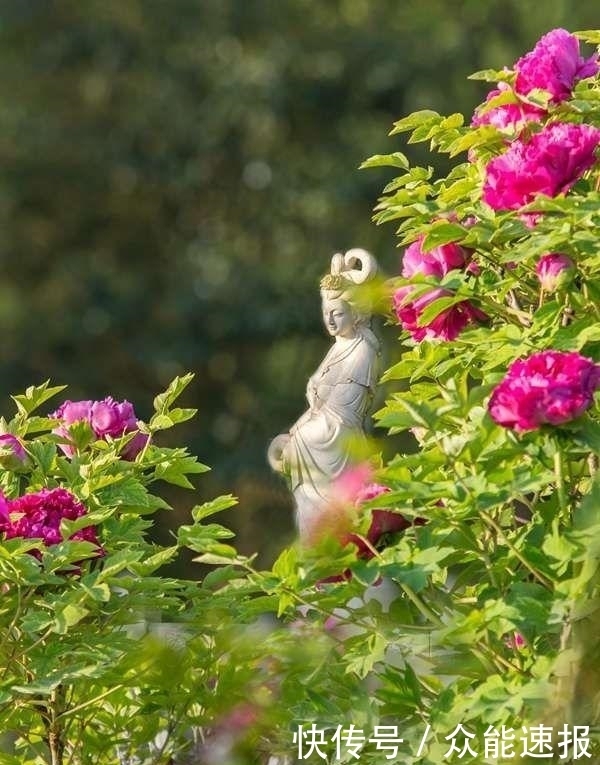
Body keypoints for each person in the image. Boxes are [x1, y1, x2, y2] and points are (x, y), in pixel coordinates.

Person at [268, 249, 380, 542]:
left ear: (355, 313)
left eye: (338, 313)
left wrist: (301, 439)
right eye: (326, 313)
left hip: (336, 447)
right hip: (318, 444)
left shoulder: (362, 350)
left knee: (337, 530)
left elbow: (340, 416)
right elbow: (319, 407)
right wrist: (292, 435)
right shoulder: (339, 347)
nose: (330, 320)